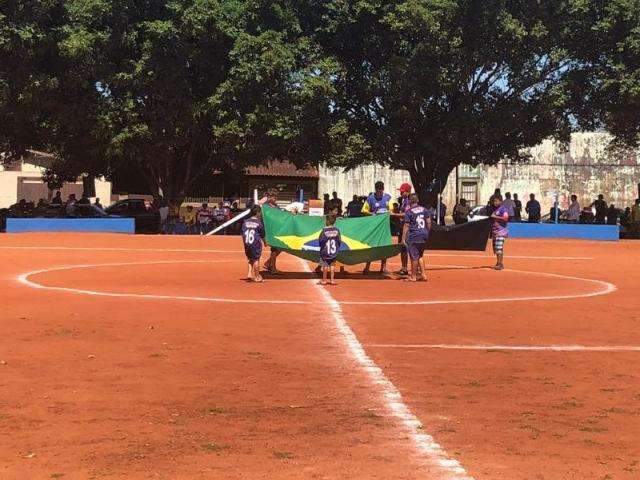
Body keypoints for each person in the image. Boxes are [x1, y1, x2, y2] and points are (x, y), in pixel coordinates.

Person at [362, 181, 393, 274]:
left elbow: (391, 210)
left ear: (383, 189)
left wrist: (387, 214)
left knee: (384, 246)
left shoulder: (388, 197)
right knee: (371, 246)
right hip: (374, 226)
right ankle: (367, 267)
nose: (379, 192)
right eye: (377, 190)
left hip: (384, 227)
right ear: (375, 190)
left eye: (380, 190)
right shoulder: (371, 198)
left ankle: (383, 268)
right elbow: (364, 210)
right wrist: (372, 214)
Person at [402, 193, 431, 282]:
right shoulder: (424, 209)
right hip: (423, 234)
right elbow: (429, 222)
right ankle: (423, 274)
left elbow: (406, 225)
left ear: (410, 201)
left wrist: (403, 238)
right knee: (420, 255)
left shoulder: (409, 212)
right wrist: (427, 231)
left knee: (414, 256)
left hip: (414, 235)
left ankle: (413, 276)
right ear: (417, 200)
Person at [241, 205, 266, 283]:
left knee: (250, 259)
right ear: (258, 213)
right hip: (255, 243)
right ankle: (257, 276)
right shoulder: (259, 223)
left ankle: (249, 274)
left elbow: (243, 233)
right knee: (256, 259)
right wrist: (265, 243)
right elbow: (262, 235)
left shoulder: (245, 222)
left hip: (247, 243)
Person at [393, 183, 412, 275]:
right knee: (402, 247)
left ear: (407, 192)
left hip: (408, 228)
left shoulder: (409, 201)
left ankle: (416, 269)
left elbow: (407, 214)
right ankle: (404, 268)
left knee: (408, 247)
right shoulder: (403, 201)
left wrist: (395, 215)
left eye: (402, 191)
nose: (400, 193)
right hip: (401, 226)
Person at [262, 189, 283, 274]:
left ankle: (268, 263)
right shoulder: (265, 206)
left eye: (276, 197)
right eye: (274, 197)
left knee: (280, 247)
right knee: (274, 249)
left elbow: (282, 215)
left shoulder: (276, 206)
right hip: (268, 230)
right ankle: (273, 268)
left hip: (276, 230)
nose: (275, 199)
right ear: (269, 197)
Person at [318, 214, 342, 285]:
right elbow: (339, 240)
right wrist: (337, 247)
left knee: (325, 266)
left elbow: (321, 240)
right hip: (334, 252)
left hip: (325, 251)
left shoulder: (324, 231)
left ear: (327, 221)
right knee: (332, 266)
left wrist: (321, 247)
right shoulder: (337, 230)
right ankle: (332, 280)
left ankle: (324, 280)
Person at [490, 196, 509, 270]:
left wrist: (495, 216)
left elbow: (506, 218)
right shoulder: (496, 209)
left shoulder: (503, 209)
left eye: (497, 201)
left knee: (499, 248)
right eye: (494, 201)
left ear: (501, 201)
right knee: (496, 249)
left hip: (501, 232)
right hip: (495, 232)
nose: (495, 203)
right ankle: (498, 262)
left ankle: (500, 264)